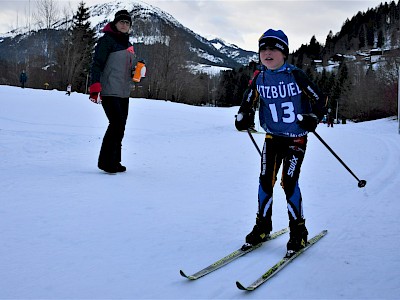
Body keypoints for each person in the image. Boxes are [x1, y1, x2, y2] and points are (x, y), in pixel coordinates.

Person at [235, 29, 326, 257]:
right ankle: (263, 227)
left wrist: (314, 117)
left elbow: (319, 99)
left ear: (284, 52)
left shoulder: (295, 75)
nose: (267, 53)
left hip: (295, 138)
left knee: (289, 182)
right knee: (265, 181)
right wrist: (243, 115)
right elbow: (248, 99)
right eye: (263, 49)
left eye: (273, 48)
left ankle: (299, 232)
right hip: (272, 138)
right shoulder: (259, 76)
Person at [89, 9, 137, 174]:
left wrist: (137, 72)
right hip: (109, 89)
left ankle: (115, 161)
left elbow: (128, 70)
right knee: (115, 124)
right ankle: (105, 162)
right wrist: (95, 85)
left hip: (124, 92)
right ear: (115, 23)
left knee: (120, 127)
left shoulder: (129, 45)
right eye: (121, 22)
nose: (124, 25)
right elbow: (97, 64)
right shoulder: (107, 41)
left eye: (127, 23)